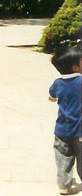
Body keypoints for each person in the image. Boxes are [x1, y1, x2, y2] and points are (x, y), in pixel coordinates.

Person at [48, 45, 82, 195]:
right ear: (75, 67)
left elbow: (51, 97)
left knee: (63, 158)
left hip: (62, 130)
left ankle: (64, 185)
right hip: (80, 129)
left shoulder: (57, 83)